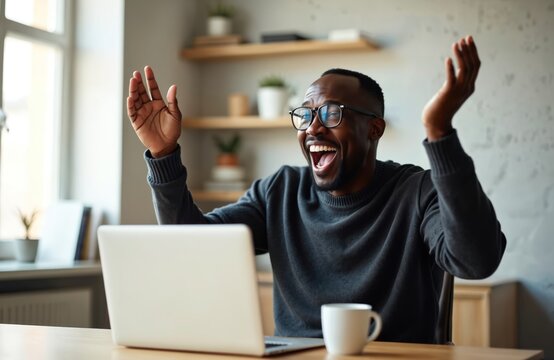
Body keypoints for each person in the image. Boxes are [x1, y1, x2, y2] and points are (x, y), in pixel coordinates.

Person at [127, 35, 506, 344]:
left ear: (374, 129)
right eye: (305, 115)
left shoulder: (415, 191)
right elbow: (194, 247)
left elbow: (476, 260)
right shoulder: (280, 191)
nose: (312, 128)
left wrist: (440, 134)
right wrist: (163, 154)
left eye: (331, 113)